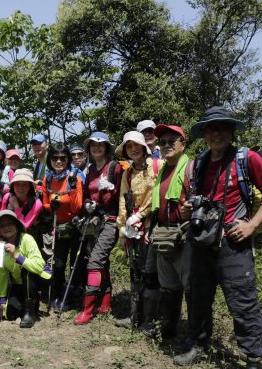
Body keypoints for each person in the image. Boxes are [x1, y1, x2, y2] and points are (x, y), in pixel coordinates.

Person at [174, 107, 262, 369]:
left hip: (234, 243)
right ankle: (198, 344)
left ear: (232, 131)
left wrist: (252, 225)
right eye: (211, 128)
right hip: (201, 243)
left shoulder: (247, 159)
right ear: (204, 135)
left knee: (243, 303)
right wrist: (188, 210)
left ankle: (254, 361)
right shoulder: (198, 163)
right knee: (197, 297)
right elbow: (193, 198)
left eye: (222, 127)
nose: (216, 132)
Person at [140, 124, 191, 339]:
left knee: (191, 287)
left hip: (184, 234)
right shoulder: (163, 170)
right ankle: (169, 329)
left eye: (172, 141)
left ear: (183, 143)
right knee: (168, 286)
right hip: (162, 233)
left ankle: (195, 337)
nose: (167, 145)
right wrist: (151, 229)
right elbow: (156, 204)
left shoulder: (191, 168)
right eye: (163, 142)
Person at [114, 131, 162, 330]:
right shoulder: (127, 173)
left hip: (153, 226)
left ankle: (149, 321)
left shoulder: (157, 167)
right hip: (133, 229)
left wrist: (141, 215)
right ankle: (135, 318)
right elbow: (123, 201)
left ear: (144, 147)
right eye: (129, 146)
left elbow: (157, 196)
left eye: (136, 145)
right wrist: (124, 228)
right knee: (135, 272)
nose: (133, 149)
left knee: (150, 273)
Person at [74, 132, 122, 325]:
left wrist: (112, 189)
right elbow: (86, 193)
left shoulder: (115, 167)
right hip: (95, 220)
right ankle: (105, 303)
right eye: (93, 145)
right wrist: (87, 203)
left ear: (106, 148)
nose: (96, 148)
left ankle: (88, 308)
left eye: (100, 145)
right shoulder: (91, 168)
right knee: (102, 262)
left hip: (111, 219)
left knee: (94, 262)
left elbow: (125, 193)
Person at [0, 210, 52, 328]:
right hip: (19, 283)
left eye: (10, 224)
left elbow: (38, 265)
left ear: (16, 226)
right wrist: (2, 300)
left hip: (40, 277)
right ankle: (27, 306)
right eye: (2, 225)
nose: (6, 227)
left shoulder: (27, 239)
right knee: (9, 314)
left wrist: (17, 256)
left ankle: (30, 313)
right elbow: (1, 274)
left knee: (26, 271)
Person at [41, 143, 83, 310]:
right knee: (58, 263)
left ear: (68, 160)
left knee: (75, 264)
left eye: (63, 158)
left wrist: (71, 188)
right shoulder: (48, 179)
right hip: (58, 226)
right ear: (50, 160)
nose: (59, 162)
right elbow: (44, 203)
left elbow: (77, 207)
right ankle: (57, 293)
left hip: (74, 227)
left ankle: (72, 296)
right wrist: (51, 207)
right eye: (54, 158)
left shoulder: (75, 178)